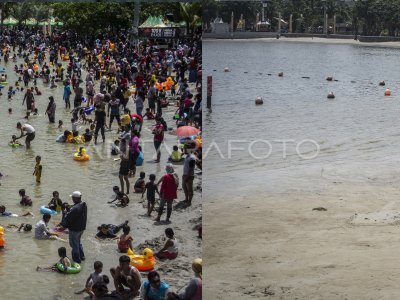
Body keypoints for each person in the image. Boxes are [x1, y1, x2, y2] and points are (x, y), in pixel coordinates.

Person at [60, 191, 87, 263]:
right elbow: (75, 210)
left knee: (74, 245)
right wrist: (70, 207)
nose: (72, 198)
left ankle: (77, 261)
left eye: (72, 197)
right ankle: (82, 256)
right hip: (81, 228)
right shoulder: (83, 204)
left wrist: (64, 213)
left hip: (75, 230)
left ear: (75, 198)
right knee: (78, 242)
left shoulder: (75, 209)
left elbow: (67, 219)